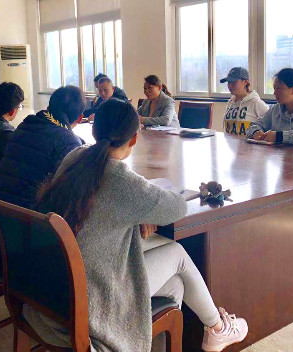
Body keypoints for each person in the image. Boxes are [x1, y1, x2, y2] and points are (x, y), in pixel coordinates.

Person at [26, 99, 248, 352]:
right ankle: (217, 329)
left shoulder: (75, 156)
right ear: (133, 139)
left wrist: (136, 214)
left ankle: (188, 336)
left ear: (95, 130)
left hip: (55, 287)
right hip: (90, 299)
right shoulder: (120, 179)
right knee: (176, 253)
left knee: (176, 284)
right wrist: (141, 210)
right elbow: (177, 207)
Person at [0, 85, 85, 209]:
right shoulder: (69, 142)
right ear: (80, 118)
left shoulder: (24, 126)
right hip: (31, 217)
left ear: (47, 108)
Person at [221, 67, 269, 136]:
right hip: (230, 142)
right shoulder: (230, 103)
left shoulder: (256, 103)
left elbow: (269, 124)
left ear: (245, 82)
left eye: (234, 82)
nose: (229, 86)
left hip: (248, 143)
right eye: (228, 82)